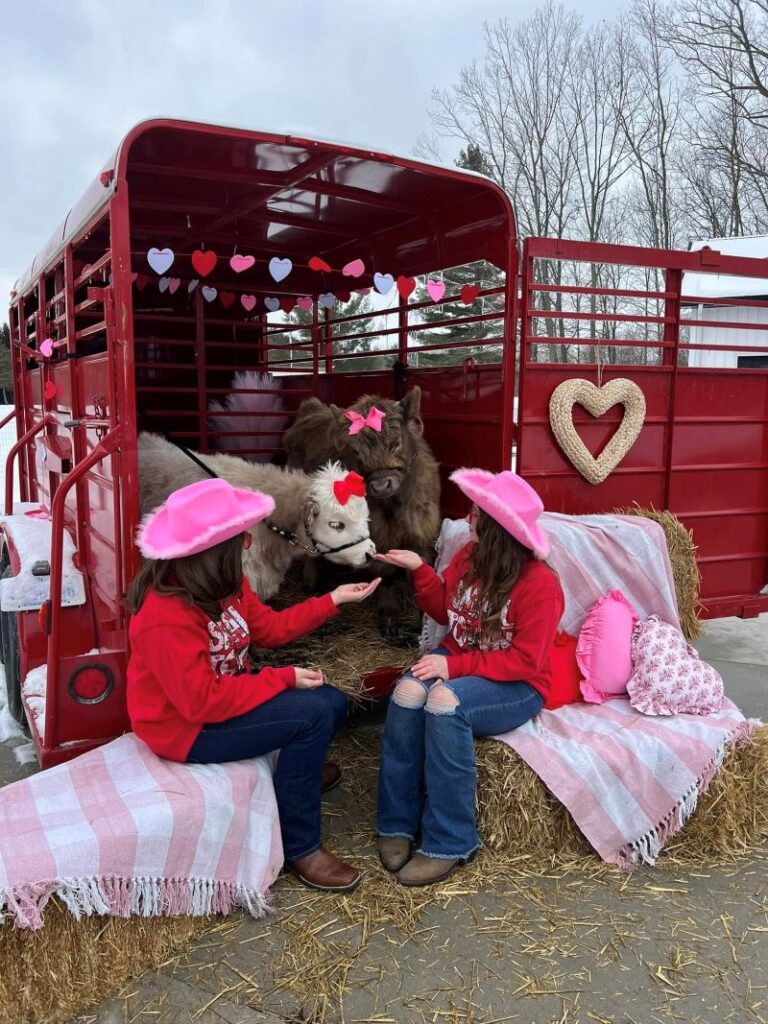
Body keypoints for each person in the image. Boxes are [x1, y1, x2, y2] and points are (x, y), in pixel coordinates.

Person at [126, 477, 379, 893]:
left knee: (330, 702)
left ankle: (296, 779)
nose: (247, 542)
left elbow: (271, 629)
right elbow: (200, 703)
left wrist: (334, 600)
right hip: (186, 731)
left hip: (220, 703)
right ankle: (301, 848)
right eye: (240, 538)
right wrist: (281, 680)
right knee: (313, 713)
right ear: (214, 551)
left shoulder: (225, 587)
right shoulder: (165, 614)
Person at [375, 468, 564, 887]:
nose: (468, 518)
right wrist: (420, 569)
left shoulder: (540, 585)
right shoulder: (467, 559)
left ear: (494, 526)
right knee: (407, 692)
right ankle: (397, 822)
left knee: (445, 703)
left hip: (518, 684)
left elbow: (526, 661)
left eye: (476, 513)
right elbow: (446, 611)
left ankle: (450, 840)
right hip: (465, 660)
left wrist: (453, 668)